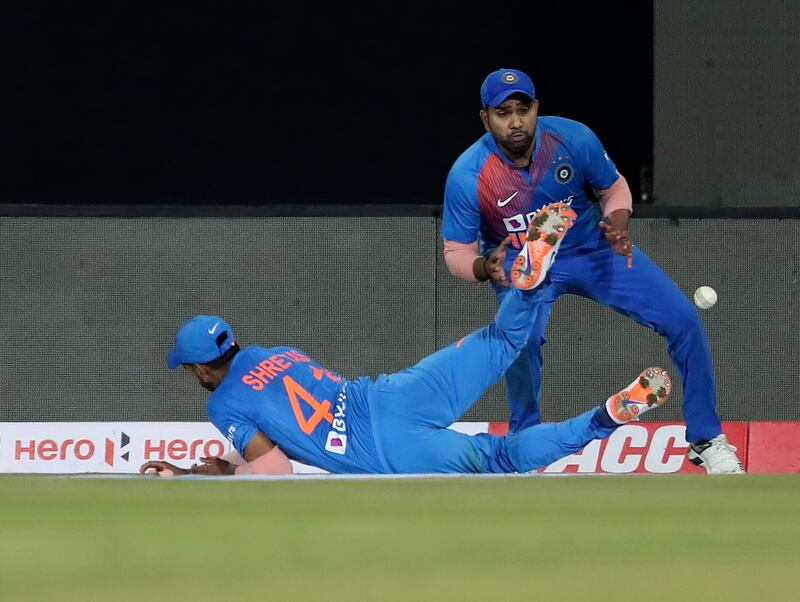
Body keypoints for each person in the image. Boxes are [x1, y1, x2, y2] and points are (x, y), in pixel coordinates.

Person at [140, 202, 672, 477]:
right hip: (390, 394)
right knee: (502, 340)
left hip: (386, 448)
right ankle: (529, 281)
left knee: (500, 459)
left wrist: (212, 477)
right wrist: (219, 464)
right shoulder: (273, 354)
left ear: (197, 369)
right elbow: (275, 429)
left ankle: (606, 418)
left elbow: (275, 466)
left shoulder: (223, 401)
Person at [441, 67, 744, 474]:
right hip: (523, 264)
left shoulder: (571, 138)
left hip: (591, 246)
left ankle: (706, 439)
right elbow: (455, 251)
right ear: (486, 118)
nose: (515, 121)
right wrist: (481, 266)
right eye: (503, 112)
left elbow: (613, 187)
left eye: (523, 109)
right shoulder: (469, 174)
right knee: (521, 342)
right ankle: (524, 444)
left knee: (684, 319)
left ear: (536, 109)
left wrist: (618, 219)